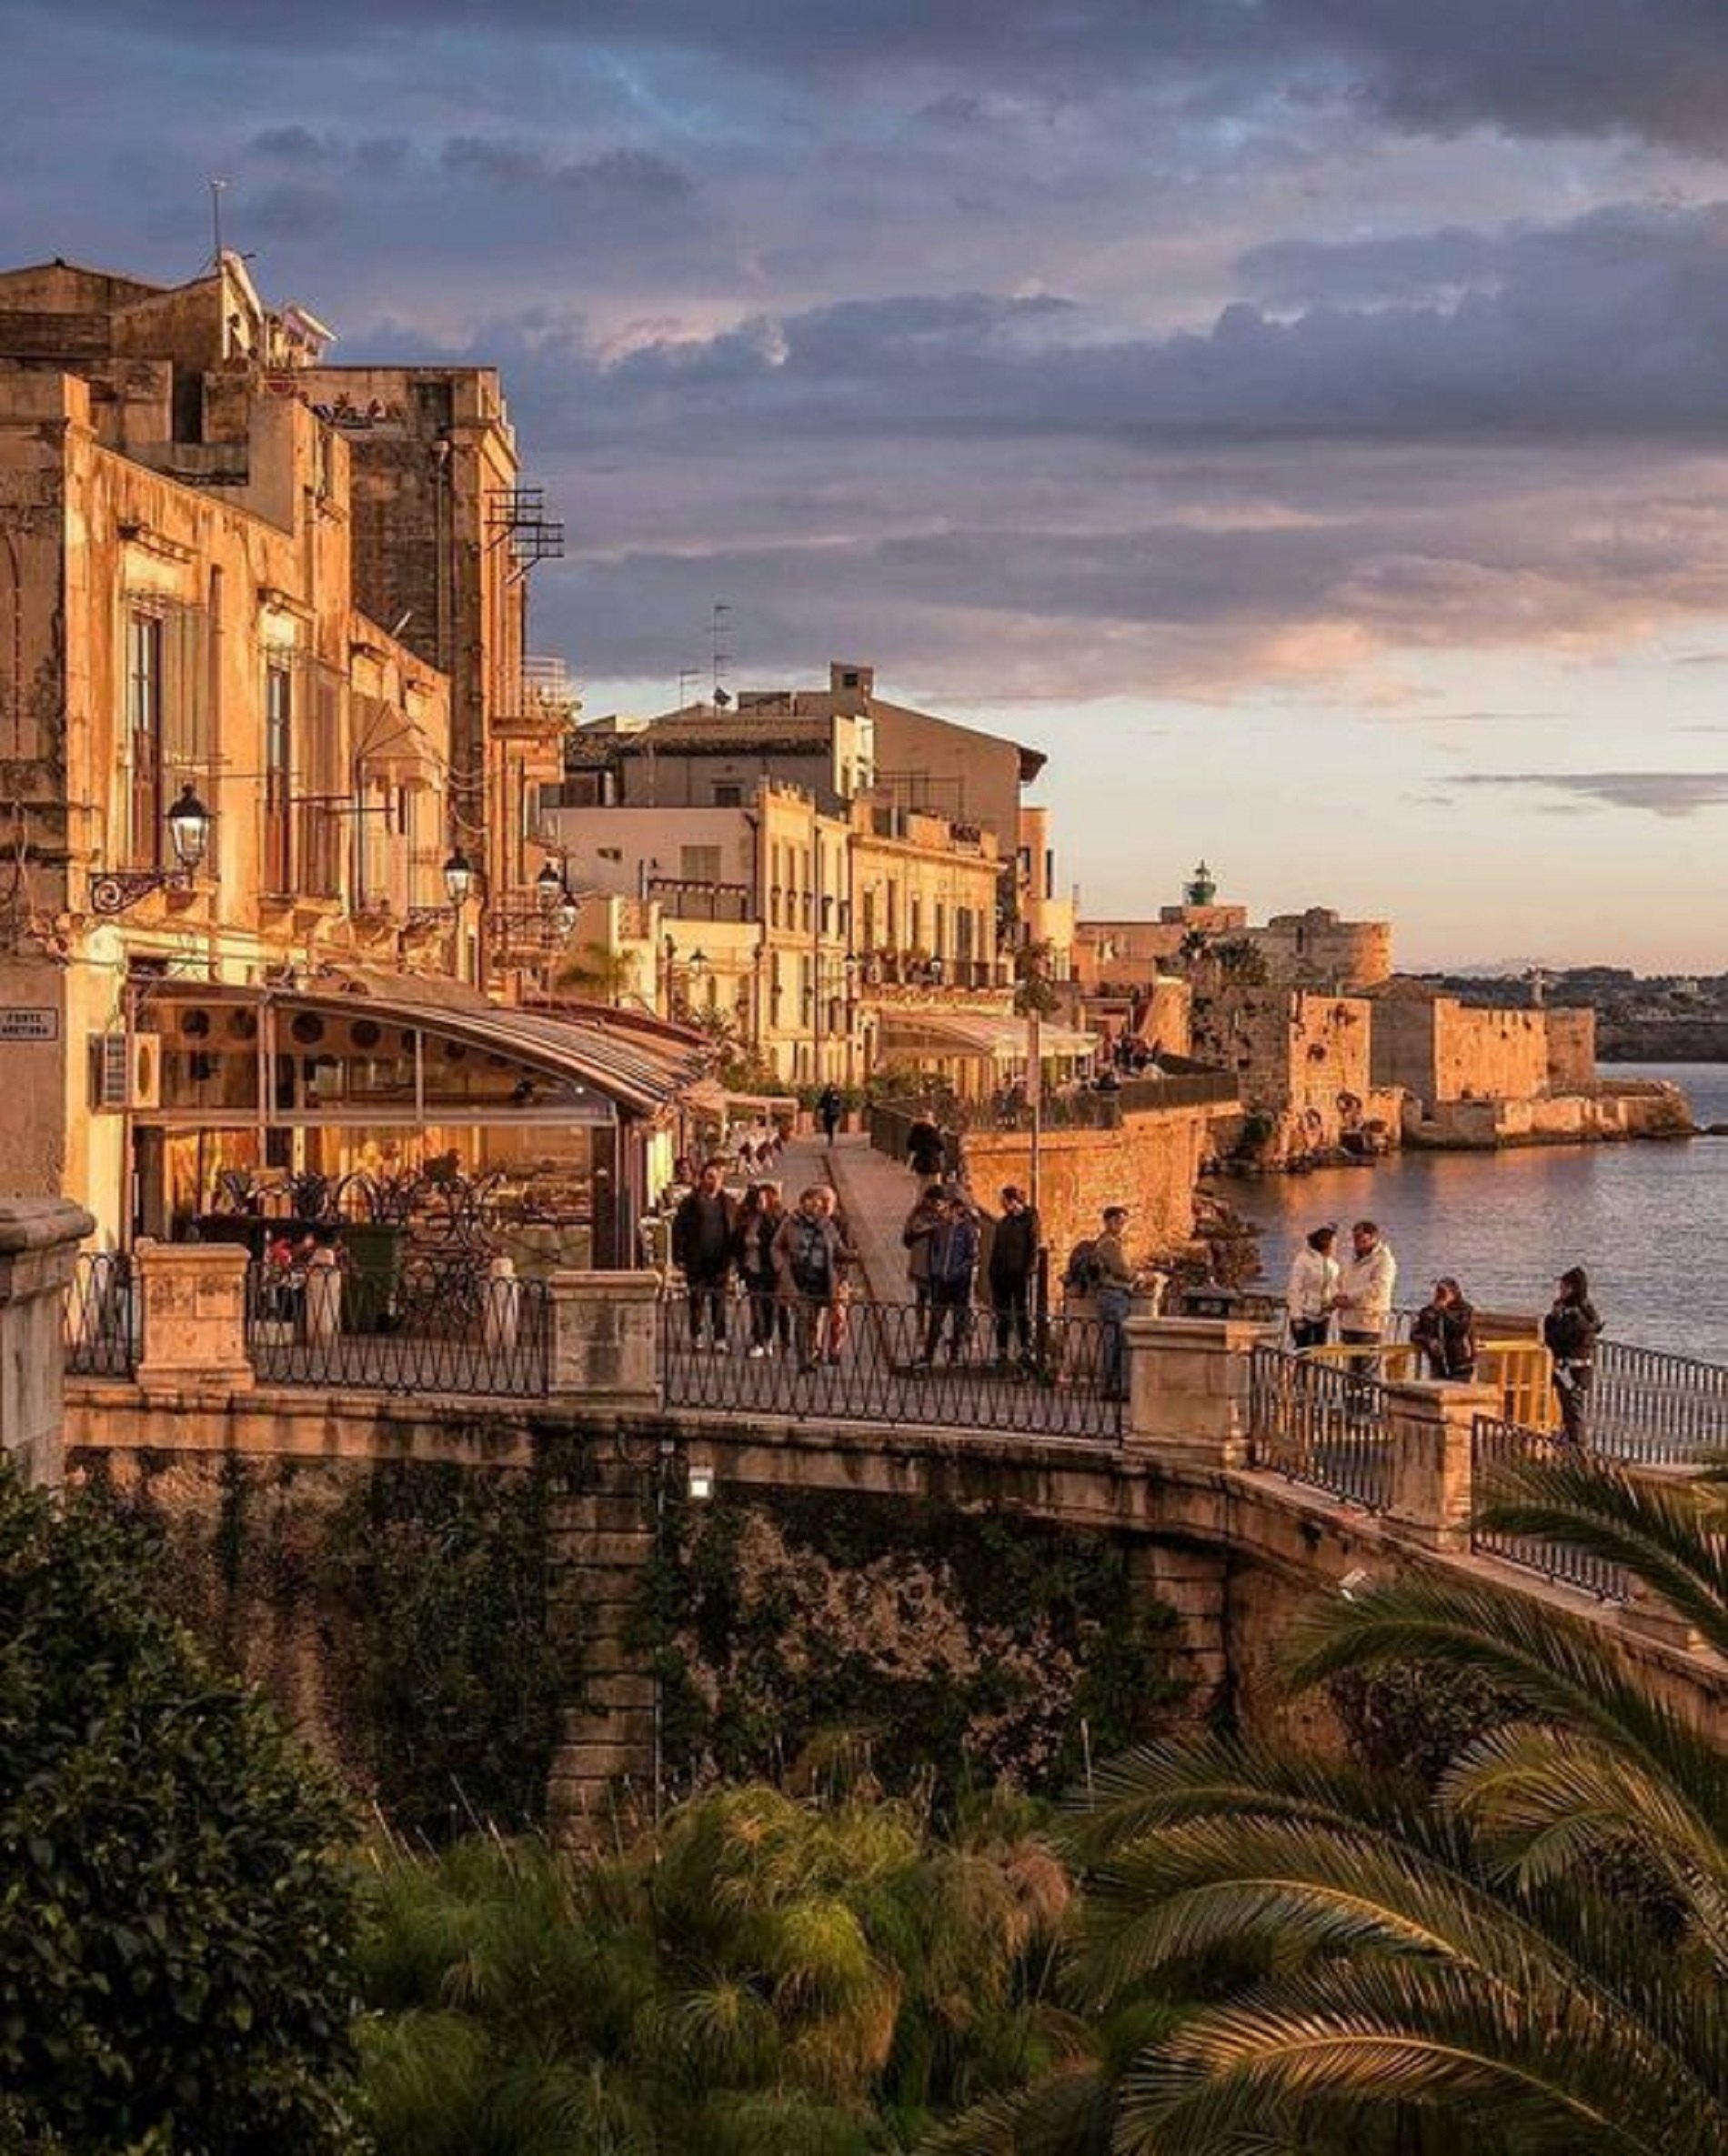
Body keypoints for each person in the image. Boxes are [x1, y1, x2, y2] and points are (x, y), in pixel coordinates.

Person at [773, 1184, 846, 1370]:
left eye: (820, 1202)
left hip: (822, 1278)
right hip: (799, 1277)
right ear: (804, 1201)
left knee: (814, 1319)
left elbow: (838, 1248)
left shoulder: (827, 1224)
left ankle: (812, 1352)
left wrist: (853, 1255)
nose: (817, 1205)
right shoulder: (791, 1221)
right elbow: (776, 1245)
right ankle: (802, 1360)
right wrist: (781, 1265)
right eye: (813, 1201)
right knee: (802, 1317)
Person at [671, 1159, 738, 1349]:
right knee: (697, 1300)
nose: (713, 1181)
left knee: (720, 1301)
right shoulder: (690, 1203)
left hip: (720, 1259)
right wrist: (679, 1257)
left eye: (717, 1177)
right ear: (702, 1179)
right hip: (696, 1259)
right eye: (709, 1177)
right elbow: (678, 1230)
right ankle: (696, 1335)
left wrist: (734, 1259)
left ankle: (720, 1338)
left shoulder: (729, 1203)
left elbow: (735, 1230)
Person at [1543, 1265, 1602, 1447]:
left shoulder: (1575, 1314)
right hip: (1573, 1368)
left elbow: (1555, 1339)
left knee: (1573, 1413)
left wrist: (1553, 1318)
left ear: (1572, 1289)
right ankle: (1573, 1444)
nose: (1560, 1292)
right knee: (1570, 1411)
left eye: (1563, 1288)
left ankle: (1578, 1451)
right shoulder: (1584, 1311)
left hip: (1572, 1369)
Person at [919, 1196, 980, 1365]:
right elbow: (936, 1250)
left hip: (959, 1283)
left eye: (949, 1210)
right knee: (936, 1318)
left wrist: (958, 1270)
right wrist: (936, 1270)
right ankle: (928, 1354)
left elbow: (973, 1257)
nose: (946, 1213)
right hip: (942, 1281)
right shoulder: (942, 1228)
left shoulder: (968, 1231)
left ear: (957, 1210)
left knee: (958, 1320)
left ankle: (955, 1355)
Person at [987, 1185, 1040, 1369]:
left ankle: (1025, 1349)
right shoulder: (1003, 1223)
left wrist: (1029, 1267)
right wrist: (991, 1272)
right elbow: (996, 1249)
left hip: (1018, 1273)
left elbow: (1033, 1244)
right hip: (1001, 1274)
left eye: (1004, 1201)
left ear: (1012, 1201)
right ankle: (1002, 1351)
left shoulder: (1029, 1219)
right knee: (1002, 1314)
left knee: (1021, 1312)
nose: (1002, 1205)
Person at [733, 1182, 787, 1358]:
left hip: (770, 1268)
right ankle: (758, 1340)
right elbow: (738, 1238)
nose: (759, 1203)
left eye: (763, 1200)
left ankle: (768, 1339)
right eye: (757, 1199)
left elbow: (778, 1244)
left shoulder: (776, 1219)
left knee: (769, 1305)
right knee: (756, 1305)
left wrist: (759, 1242)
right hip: (752, 1267)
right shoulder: (749, 1217)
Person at [1092, 1204, 1136, 1400]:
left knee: (1115, 1342)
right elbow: (1123, 1271)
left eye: (1124, 1222)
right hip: (1113, 1296)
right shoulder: (1109, 1244)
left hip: (1112, 1295)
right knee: (1116, 1343)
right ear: (1108, 1222)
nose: (1122, 1225)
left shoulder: (1109, 1242)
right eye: (1119, 1221)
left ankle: (1113, 1386)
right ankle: (1113, 1387)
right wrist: (1138, 1276)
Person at [1412, 1276, 1480, 1381]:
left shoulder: (1465, 1309)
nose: (1440, 1296)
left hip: (1462, 1364)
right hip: (1439, 1365)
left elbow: (1461, 1329)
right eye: (1438, 1292)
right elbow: (1415, 1334)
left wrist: (1443, 1311)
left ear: (1454, 1293)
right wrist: (1428, 1341)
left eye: (1443, 1293)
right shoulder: (1428, 1312)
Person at [1285, 1225, 1340, 1351]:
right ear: (1325, 1243)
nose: (1336, 1247)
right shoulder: (1303, 1260)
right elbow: (1294, 1289)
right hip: (1305, 1315)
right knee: (1303, 1353)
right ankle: (1298, 1371)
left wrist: (1333, 1302)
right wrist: (1296, 1316)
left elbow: (1333, 1288)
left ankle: (1315, 1372)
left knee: (1319, 1354)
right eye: (1334, 1243)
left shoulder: (1333, 1265)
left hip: (1323, 1316)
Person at [901, 1184, 947, 1313]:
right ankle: (921, 1327)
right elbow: (907, 1238)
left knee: (934, 1299)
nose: (937, 1204)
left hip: (936, 1265)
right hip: (922, 1264)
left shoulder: (943, 1216)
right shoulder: (918, 1214)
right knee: (923, 1297)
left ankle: (932, 1328)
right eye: (935, 1201)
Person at [907, 1108, 946, 1181]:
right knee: (936, 1187)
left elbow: (910, 1146)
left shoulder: (915, 1131)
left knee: (922, 1186)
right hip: (933, 1163)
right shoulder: (934, 1131)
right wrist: (938, 1132)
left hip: (920, 1163)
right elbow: (942, 1146)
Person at [816, 1083, 844, 1147]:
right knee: (828, 1126)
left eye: (832, 1087)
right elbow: (821, 1102)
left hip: (833, 1113)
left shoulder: (835, 1094)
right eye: (830, 1087)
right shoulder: (826, 1094)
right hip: (828, 1113)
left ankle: (831, 1139)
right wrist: (819, 1108)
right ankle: (830, 1138)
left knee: (831, 1126)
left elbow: (838, 1103)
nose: (831, 1088)